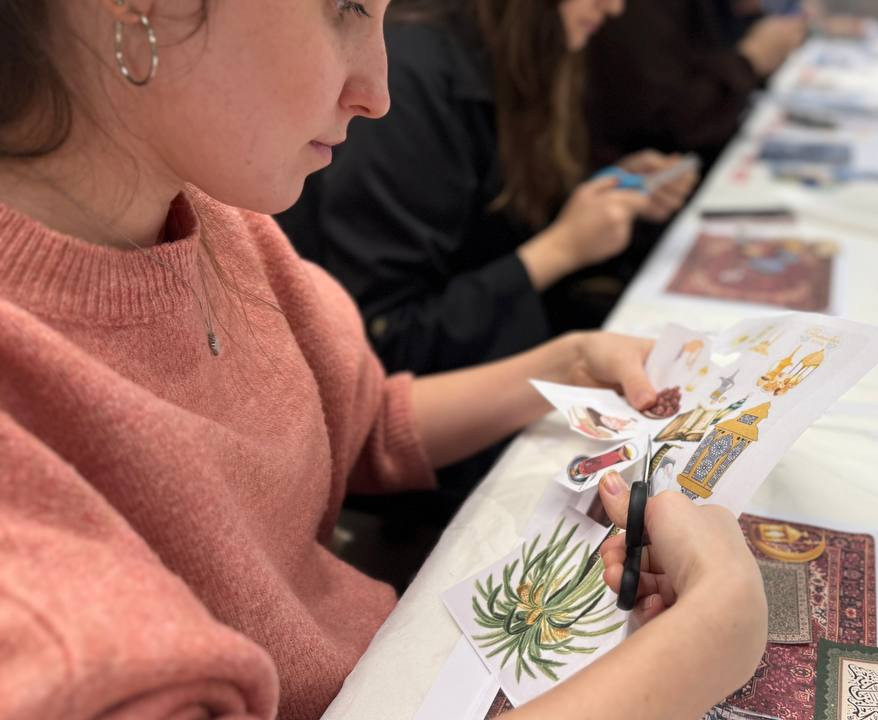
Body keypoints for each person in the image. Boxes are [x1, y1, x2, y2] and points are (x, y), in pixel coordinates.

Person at [0, 1, 766, 718]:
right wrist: (700, 647)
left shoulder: (218, 223)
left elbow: (365, 421)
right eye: (345, 8)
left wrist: (566, 362)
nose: (377, 94)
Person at [279, 0, 699, 381]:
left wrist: (606, 190)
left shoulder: (511, 55)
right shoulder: (412, 81)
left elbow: (494, 227)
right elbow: (390, 340)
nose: (614, 7)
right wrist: (561, 248)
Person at [584, 0, 808, 169]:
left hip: (669, 169)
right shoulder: (640, 12)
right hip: (675, 162)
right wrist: (750, 60)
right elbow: (672, 124)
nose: (614, 7)